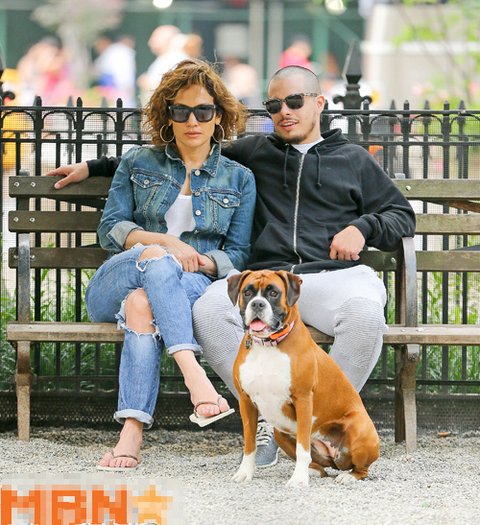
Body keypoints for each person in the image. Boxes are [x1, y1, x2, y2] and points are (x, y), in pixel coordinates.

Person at [46, 65, 416, 469]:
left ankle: (319, 426)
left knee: (365, 316)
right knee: (207, 312)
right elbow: (178, 152)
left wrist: (363, 228)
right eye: (274, 105)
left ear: (319, 103)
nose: (285, 111)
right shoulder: (256, 153)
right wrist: (94, 167)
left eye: (295, 101)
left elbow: (401, 215)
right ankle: (268, 419)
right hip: (267, 281)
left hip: (334, 277)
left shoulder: (354, 160)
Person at [75, 59, 256, 470]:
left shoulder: (239, 178)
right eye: (181, 111)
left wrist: (201, 260)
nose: (192, 121)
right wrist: (167, 243)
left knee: (142, 304)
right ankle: (195, 376)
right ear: (167, 115)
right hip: (118, 280)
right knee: (155, 259)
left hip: (190, 283)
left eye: (203, 111)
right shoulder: (139, 162)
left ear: (219, 117)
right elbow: (111, 229)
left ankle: (131, 433)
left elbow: (238, 255)